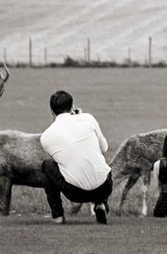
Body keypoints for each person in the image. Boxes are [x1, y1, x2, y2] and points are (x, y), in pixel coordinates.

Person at [38, 89, 115, 225]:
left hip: (75, 193)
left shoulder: (46, 136)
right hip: (105, 187)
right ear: (72, 106)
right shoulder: (88, 118)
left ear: (52, 111)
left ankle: (58, 216)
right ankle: (100, 204)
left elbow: (61, 161)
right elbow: (104, 148)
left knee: (47, 165)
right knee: (95, 157)